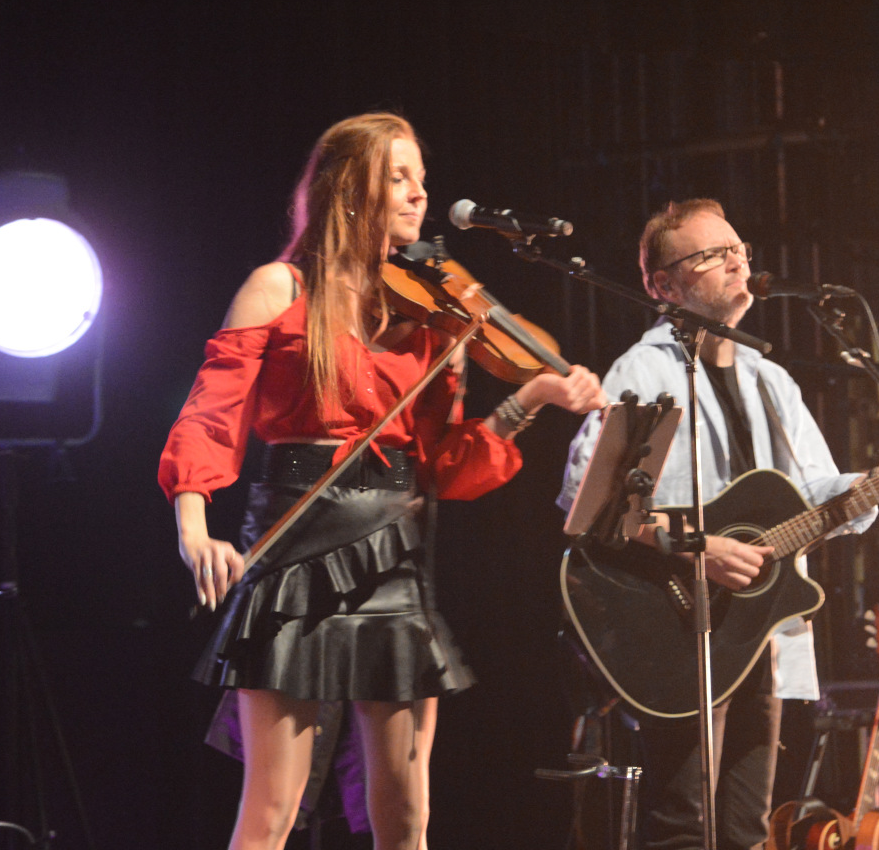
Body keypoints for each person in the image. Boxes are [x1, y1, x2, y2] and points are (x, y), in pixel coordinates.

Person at [158, 111, 607, 850]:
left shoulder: (435, 318)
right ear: (347, 191)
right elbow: (211, 415)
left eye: (420, 180)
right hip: (296, 544)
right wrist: (193, 525)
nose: (417, 195)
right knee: (271, 811)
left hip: (392, 554)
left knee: (406, 818)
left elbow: (449, 471)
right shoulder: (277, 289)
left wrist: (529, 399)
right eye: (397, 178)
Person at [558, 198, 875, 850]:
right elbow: (587, 501)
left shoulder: (770, 380)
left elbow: (813, 495)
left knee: (745, 831)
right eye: (713, 254)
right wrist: (695, 548)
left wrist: (876, 483)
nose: (737, 262)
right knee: (681, 826)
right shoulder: (643, 371)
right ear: (663, 285)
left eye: (740, 250)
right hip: (676, 626)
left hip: (756, 630)